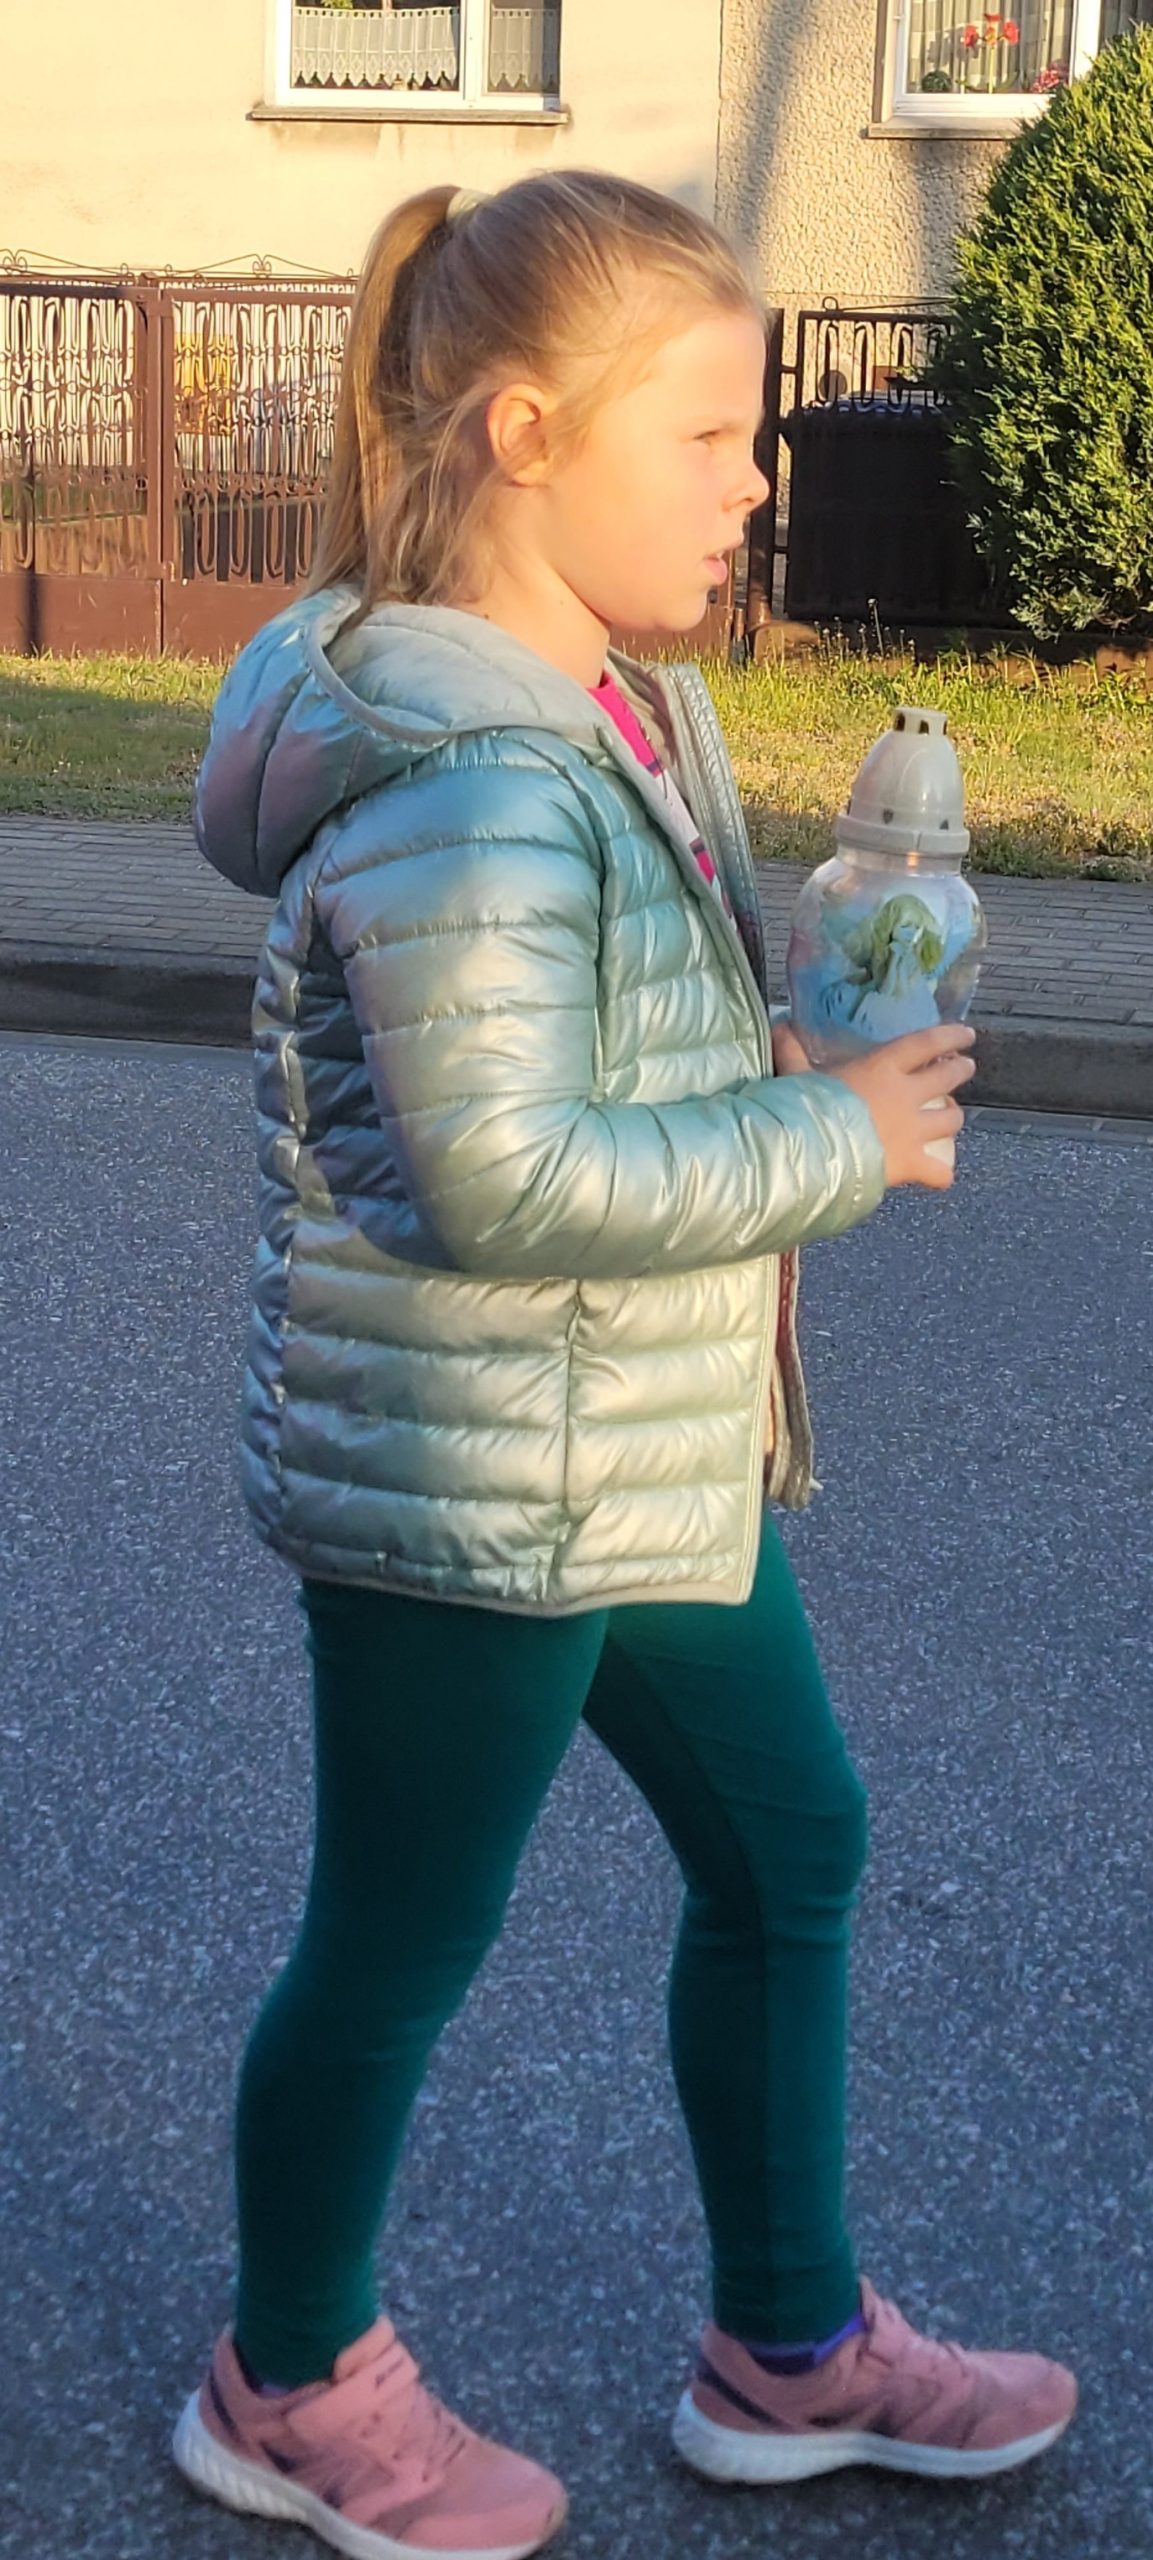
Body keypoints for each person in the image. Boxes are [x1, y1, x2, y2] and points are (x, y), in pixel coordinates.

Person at [174, 172, 1075, 2560]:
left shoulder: (618, 702)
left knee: (790, 1841)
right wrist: (832, 1134)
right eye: (706, 433)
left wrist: (766, 1042)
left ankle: (789, 2340)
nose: (754, 479)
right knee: (397, 1938)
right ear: (524, 432)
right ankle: (285, 2377)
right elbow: (501, 1178)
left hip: (646, 1444)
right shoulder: (469, 779)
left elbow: (582, 1067)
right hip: (472, 1473)